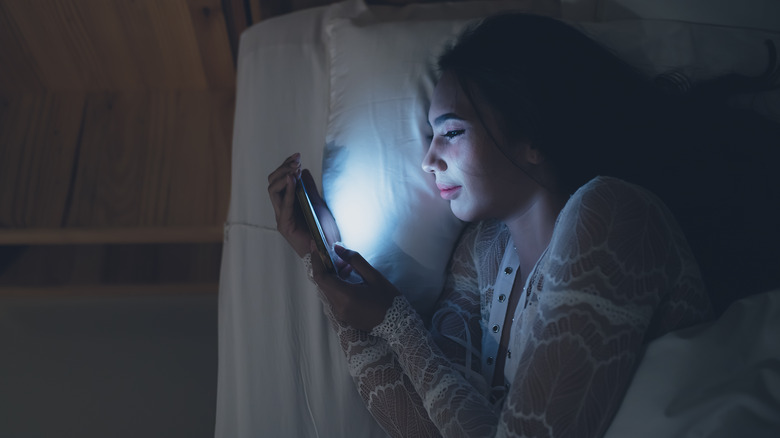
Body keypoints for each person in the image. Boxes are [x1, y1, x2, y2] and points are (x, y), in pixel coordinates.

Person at [267, 13, 778, 437]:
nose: (428, 160)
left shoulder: (615, 215)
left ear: (532, 134)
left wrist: (396, 322)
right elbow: (427, 424)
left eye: (451, 132)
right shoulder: (481, 253)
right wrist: (324, 257)